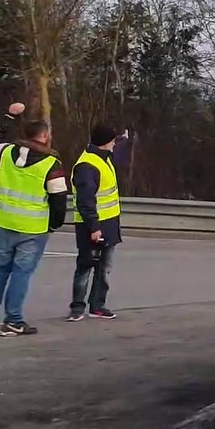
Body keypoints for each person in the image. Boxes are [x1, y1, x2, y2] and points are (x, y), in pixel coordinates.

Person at [0, 102, 69, 336]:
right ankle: (13, 319)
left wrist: (9, 116)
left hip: (6, 223)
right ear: (44, 136)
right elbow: (59, 200)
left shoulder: (6, 153)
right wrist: (55, 224)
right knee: (21, 273)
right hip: (33, 228)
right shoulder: (51, 165)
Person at [69, 125, 129, 321]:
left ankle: (98, 305)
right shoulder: (87, 166)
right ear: (104, 143)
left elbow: (114, 148)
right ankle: (77, 308)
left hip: (109, 224)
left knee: (104, 268)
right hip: (93, 226)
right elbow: (85, 201)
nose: (114, 144)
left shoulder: (103, 156)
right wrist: (94, 227)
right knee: (85, 267)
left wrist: (122, 139)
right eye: (112, 141)